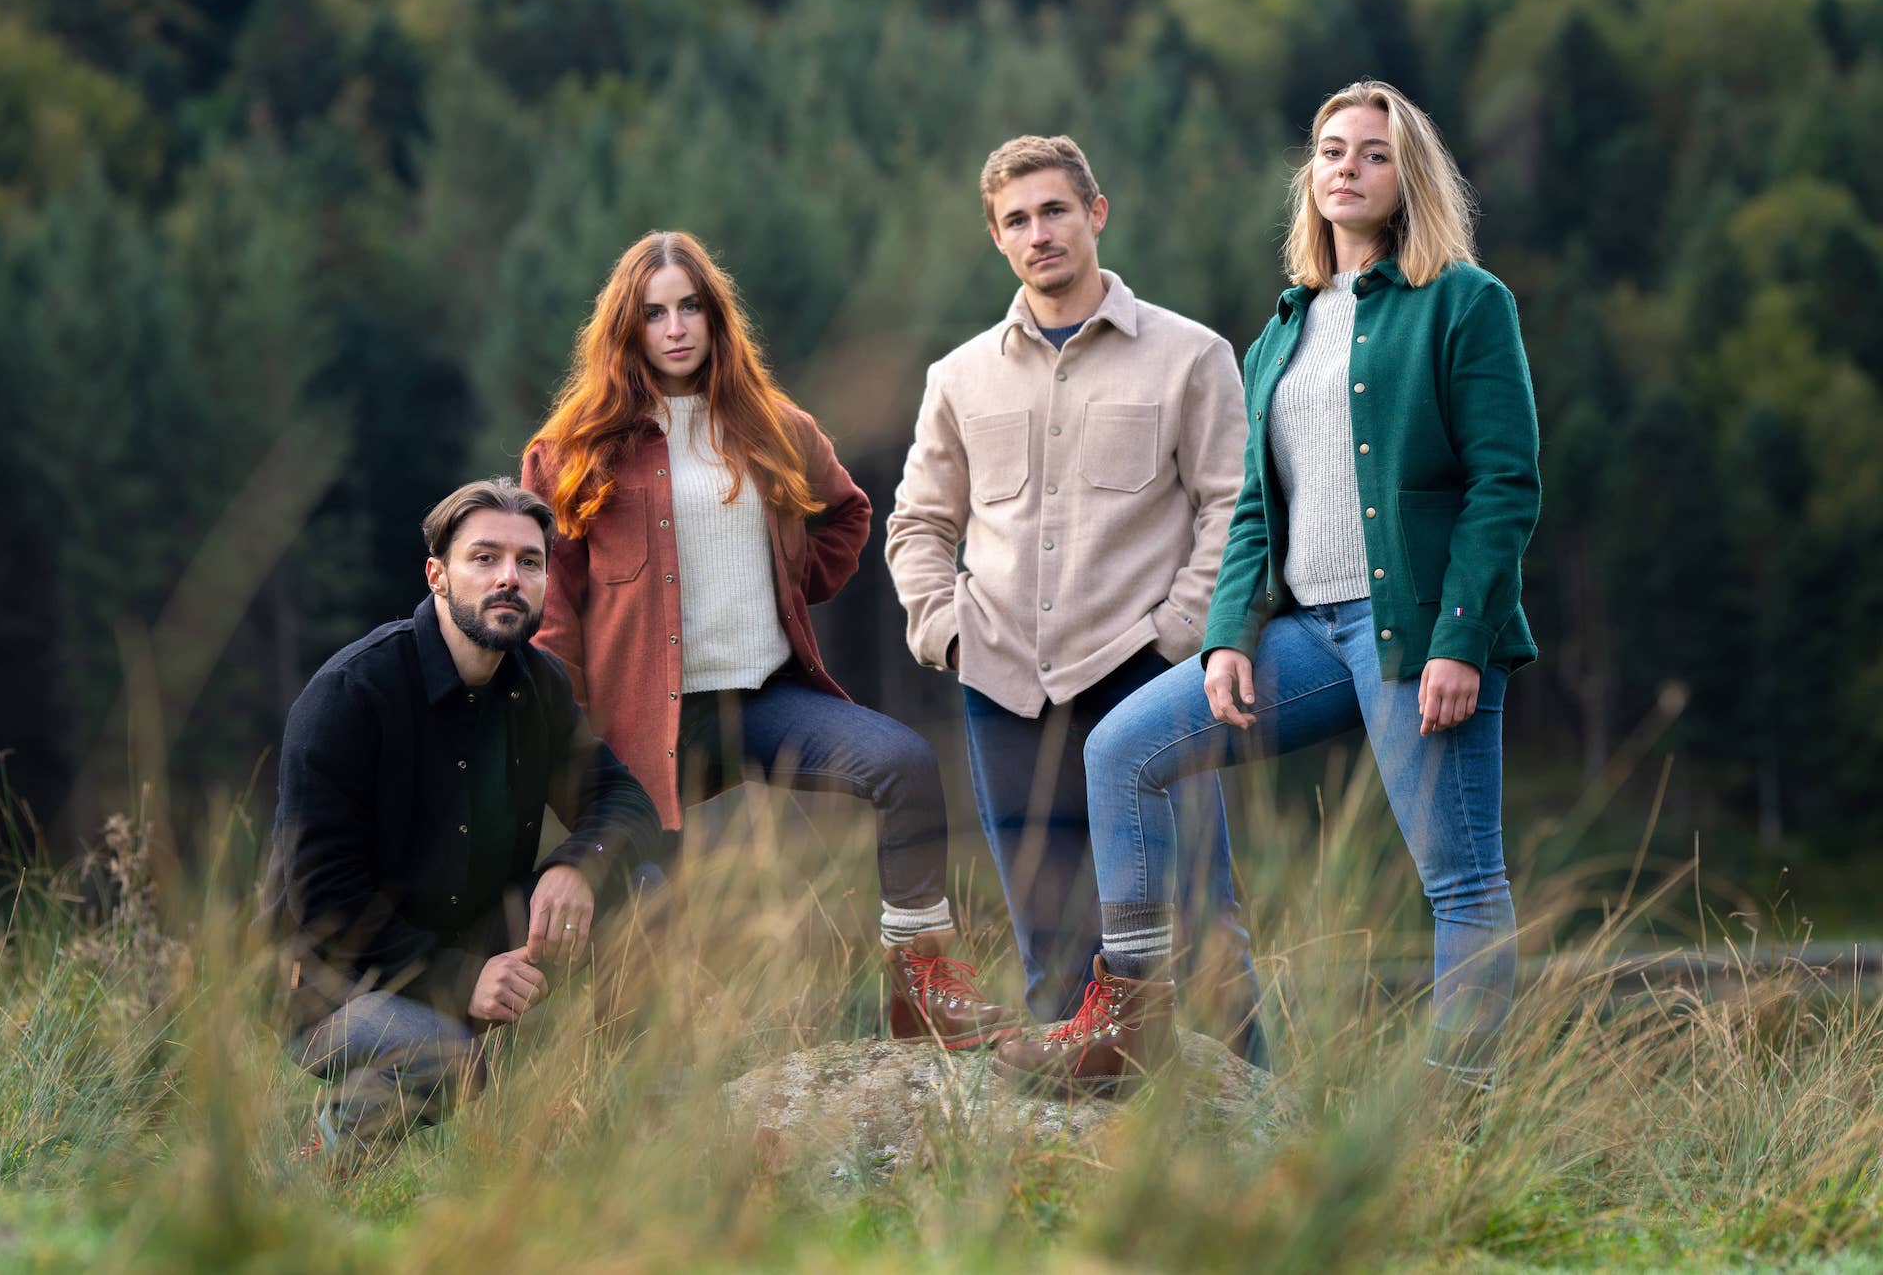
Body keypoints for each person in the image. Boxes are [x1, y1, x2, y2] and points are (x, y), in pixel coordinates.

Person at [996, 81, 1540, 1095]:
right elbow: (1251, 505)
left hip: (1418, 634)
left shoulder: (1464, 303)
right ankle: (1129, 1017)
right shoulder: (1283, 329)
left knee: (1461, 881)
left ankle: (1450, 1108)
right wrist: (1229, 635)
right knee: (1122, 748)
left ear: (1405, 175)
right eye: (1330, 150)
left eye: (1371, 153)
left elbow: (1504, 485)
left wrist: (1460, 640)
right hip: (1309, 632)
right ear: (1310, 175)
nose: (1345, 166)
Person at [520, 230, 1019, 1050]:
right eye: (654, 314)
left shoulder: (772, 426)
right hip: (647, 728)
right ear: (626, 330)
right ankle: (620, 1088)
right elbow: (556, 605)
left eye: (691, 308)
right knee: (648, 916)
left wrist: (795, 581)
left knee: (904, 765)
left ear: (717, 320)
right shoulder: (572, 451)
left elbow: (849, 511)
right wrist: (565, 731)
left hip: (767, 702)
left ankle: (923, 989)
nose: (676, 327)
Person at [885, 135, 1257, 1042]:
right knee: (1054, 948)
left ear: (1095, 214)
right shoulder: (959, 377)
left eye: (1054, 210)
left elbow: (1234, 510)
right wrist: (951, 634)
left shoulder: (1191, 356)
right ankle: (1075, 1164)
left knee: (1199, 930)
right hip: (1003, 685)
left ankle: (1255, 1134)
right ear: (997, 240)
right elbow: (918, 525)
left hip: (1148, 682)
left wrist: (1178, 635)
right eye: (1016, 219)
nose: (1038, 232)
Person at [262, 477, 662, 1162]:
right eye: (485, 558)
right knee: (452, 1059)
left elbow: (625, 800)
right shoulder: (350, 694)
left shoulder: (540, 687)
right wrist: (459, 979)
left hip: (473, 941)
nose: (510, 577)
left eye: (529, 562)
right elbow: (325, 903)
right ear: (438, 576)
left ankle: (626, 1124)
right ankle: (309, 1171)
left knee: (640, 885)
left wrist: (577, 864)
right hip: (334, 984)